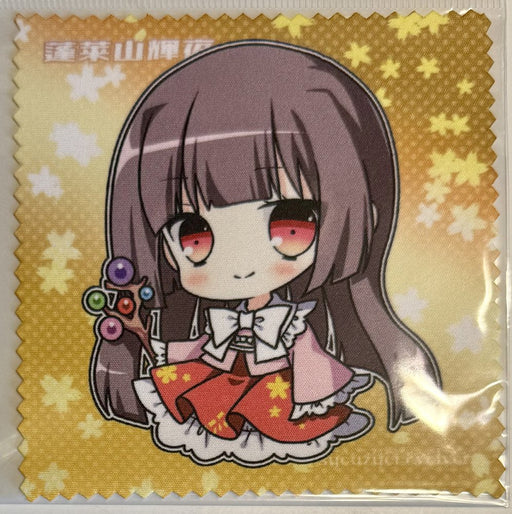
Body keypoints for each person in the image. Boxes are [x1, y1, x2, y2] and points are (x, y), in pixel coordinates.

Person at [88, 40, 441, 466]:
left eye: (289, 224)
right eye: (195, 235)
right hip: (224, 384)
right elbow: (198, 349)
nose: (241, 266)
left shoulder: (290, 322)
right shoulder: (214, 320)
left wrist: (317, 390)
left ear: (356, 214)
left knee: (278, 417)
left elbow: (308, 359)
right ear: (164, 246)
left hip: (276, 391)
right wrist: (151, 343)